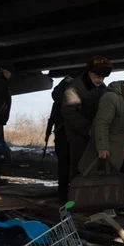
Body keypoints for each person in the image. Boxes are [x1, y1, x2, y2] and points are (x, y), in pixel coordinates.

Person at [78, 71, 124, 217]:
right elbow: (101, 123)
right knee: (106, 175)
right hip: (110, 143)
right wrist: (102, 147)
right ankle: (106, 207)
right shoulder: (111, 97)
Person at [61, 56, 112, 181]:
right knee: (78, 169)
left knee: (93, 169)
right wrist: (87, 129)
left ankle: (89, 198)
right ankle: (72, 199)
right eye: (98, 76)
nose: (100, 80)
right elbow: (69, 111)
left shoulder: (101, 87)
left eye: (103, 77)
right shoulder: (74, 88)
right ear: (89, 73)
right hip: (78, 136)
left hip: (94, 135)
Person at [48, 75, 75, 204]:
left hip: (72, 134)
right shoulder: (66, 89)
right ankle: (64, 195)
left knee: (69, 166)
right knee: (65, 166)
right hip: (64, 133)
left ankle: (67, 195)